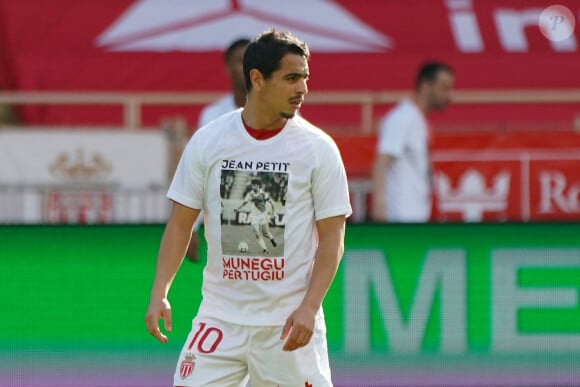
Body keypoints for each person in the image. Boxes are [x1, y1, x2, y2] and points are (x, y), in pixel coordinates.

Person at [145, 28, 352, 387]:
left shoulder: (318, 149)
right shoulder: (210, 141)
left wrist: (309, 307)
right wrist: (159, 292)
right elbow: (180, 225)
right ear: (257, 79)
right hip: (220, 320)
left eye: (304, 78)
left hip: (287, 324)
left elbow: (333, 236)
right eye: (291, 78)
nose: (302, 89)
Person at [186, 38, 250, 262]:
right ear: (227, 67)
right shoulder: (212, 117)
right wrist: (189, 226)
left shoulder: (283, 114)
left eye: (249, 60)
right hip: (223, 223)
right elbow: (198, 173)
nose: (245, 66)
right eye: (238, 61)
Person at [371, 61, 454, 222]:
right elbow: (381, 162)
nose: (449, 96)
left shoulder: (417, 120)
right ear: (425, 86)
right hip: (400, 217)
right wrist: (379, 206)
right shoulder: (402, 117)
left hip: (416, 215)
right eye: (444, 87)